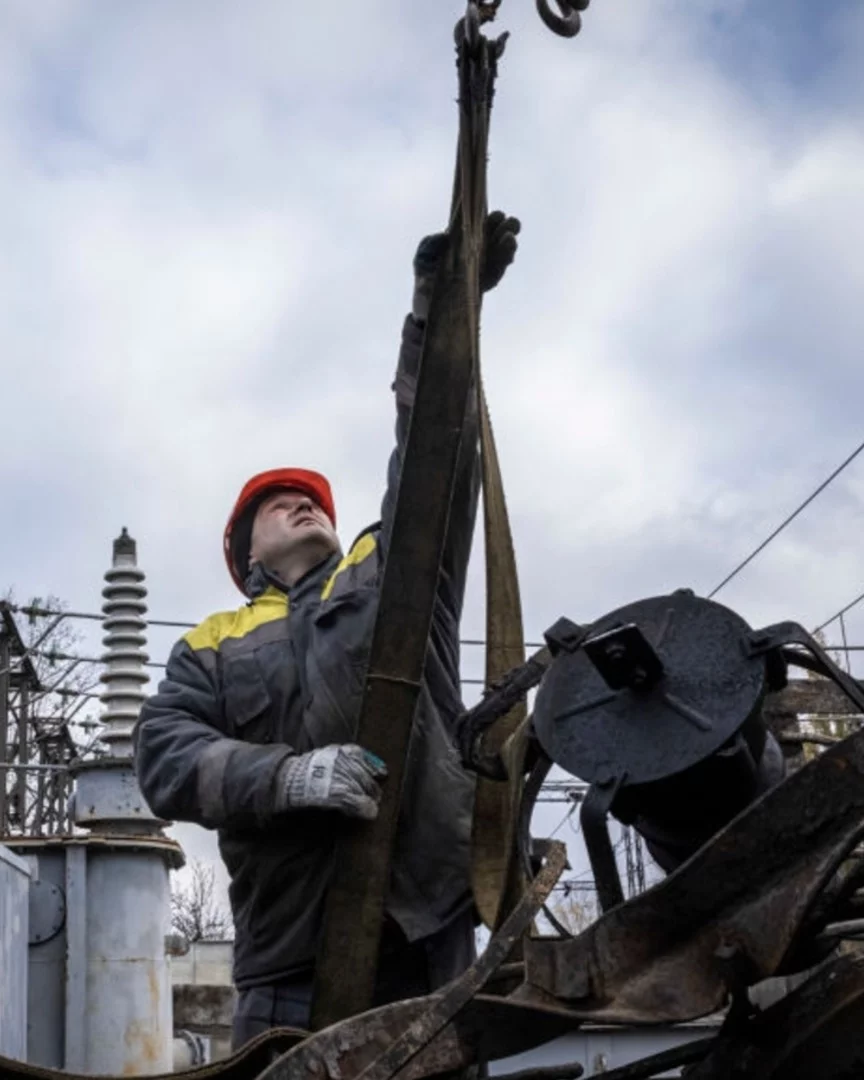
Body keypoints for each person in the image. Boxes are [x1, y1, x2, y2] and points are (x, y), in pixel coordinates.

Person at [134, 214, 520, 1042]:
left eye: (311, 495)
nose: (302, 499)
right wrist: (285, 779)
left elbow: (431, 457)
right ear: (245, 551)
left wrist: (440, 317)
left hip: (426, 933)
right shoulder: (214, 641)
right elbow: (164, 757)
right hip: (287, 964)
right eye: (276, 501)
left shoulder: (392, 570)